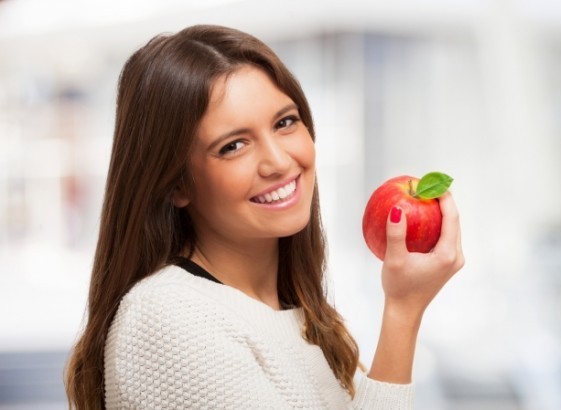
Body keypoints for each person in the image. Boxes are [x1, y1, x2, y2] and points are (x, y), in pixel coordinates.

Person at [64, 24, 464, 409]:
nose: (278, 161)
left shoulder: (299, 316)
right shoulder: (166, 320)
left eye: (285, 122)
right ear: (176, 185)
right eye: (234, 145)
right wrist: (402, 311)